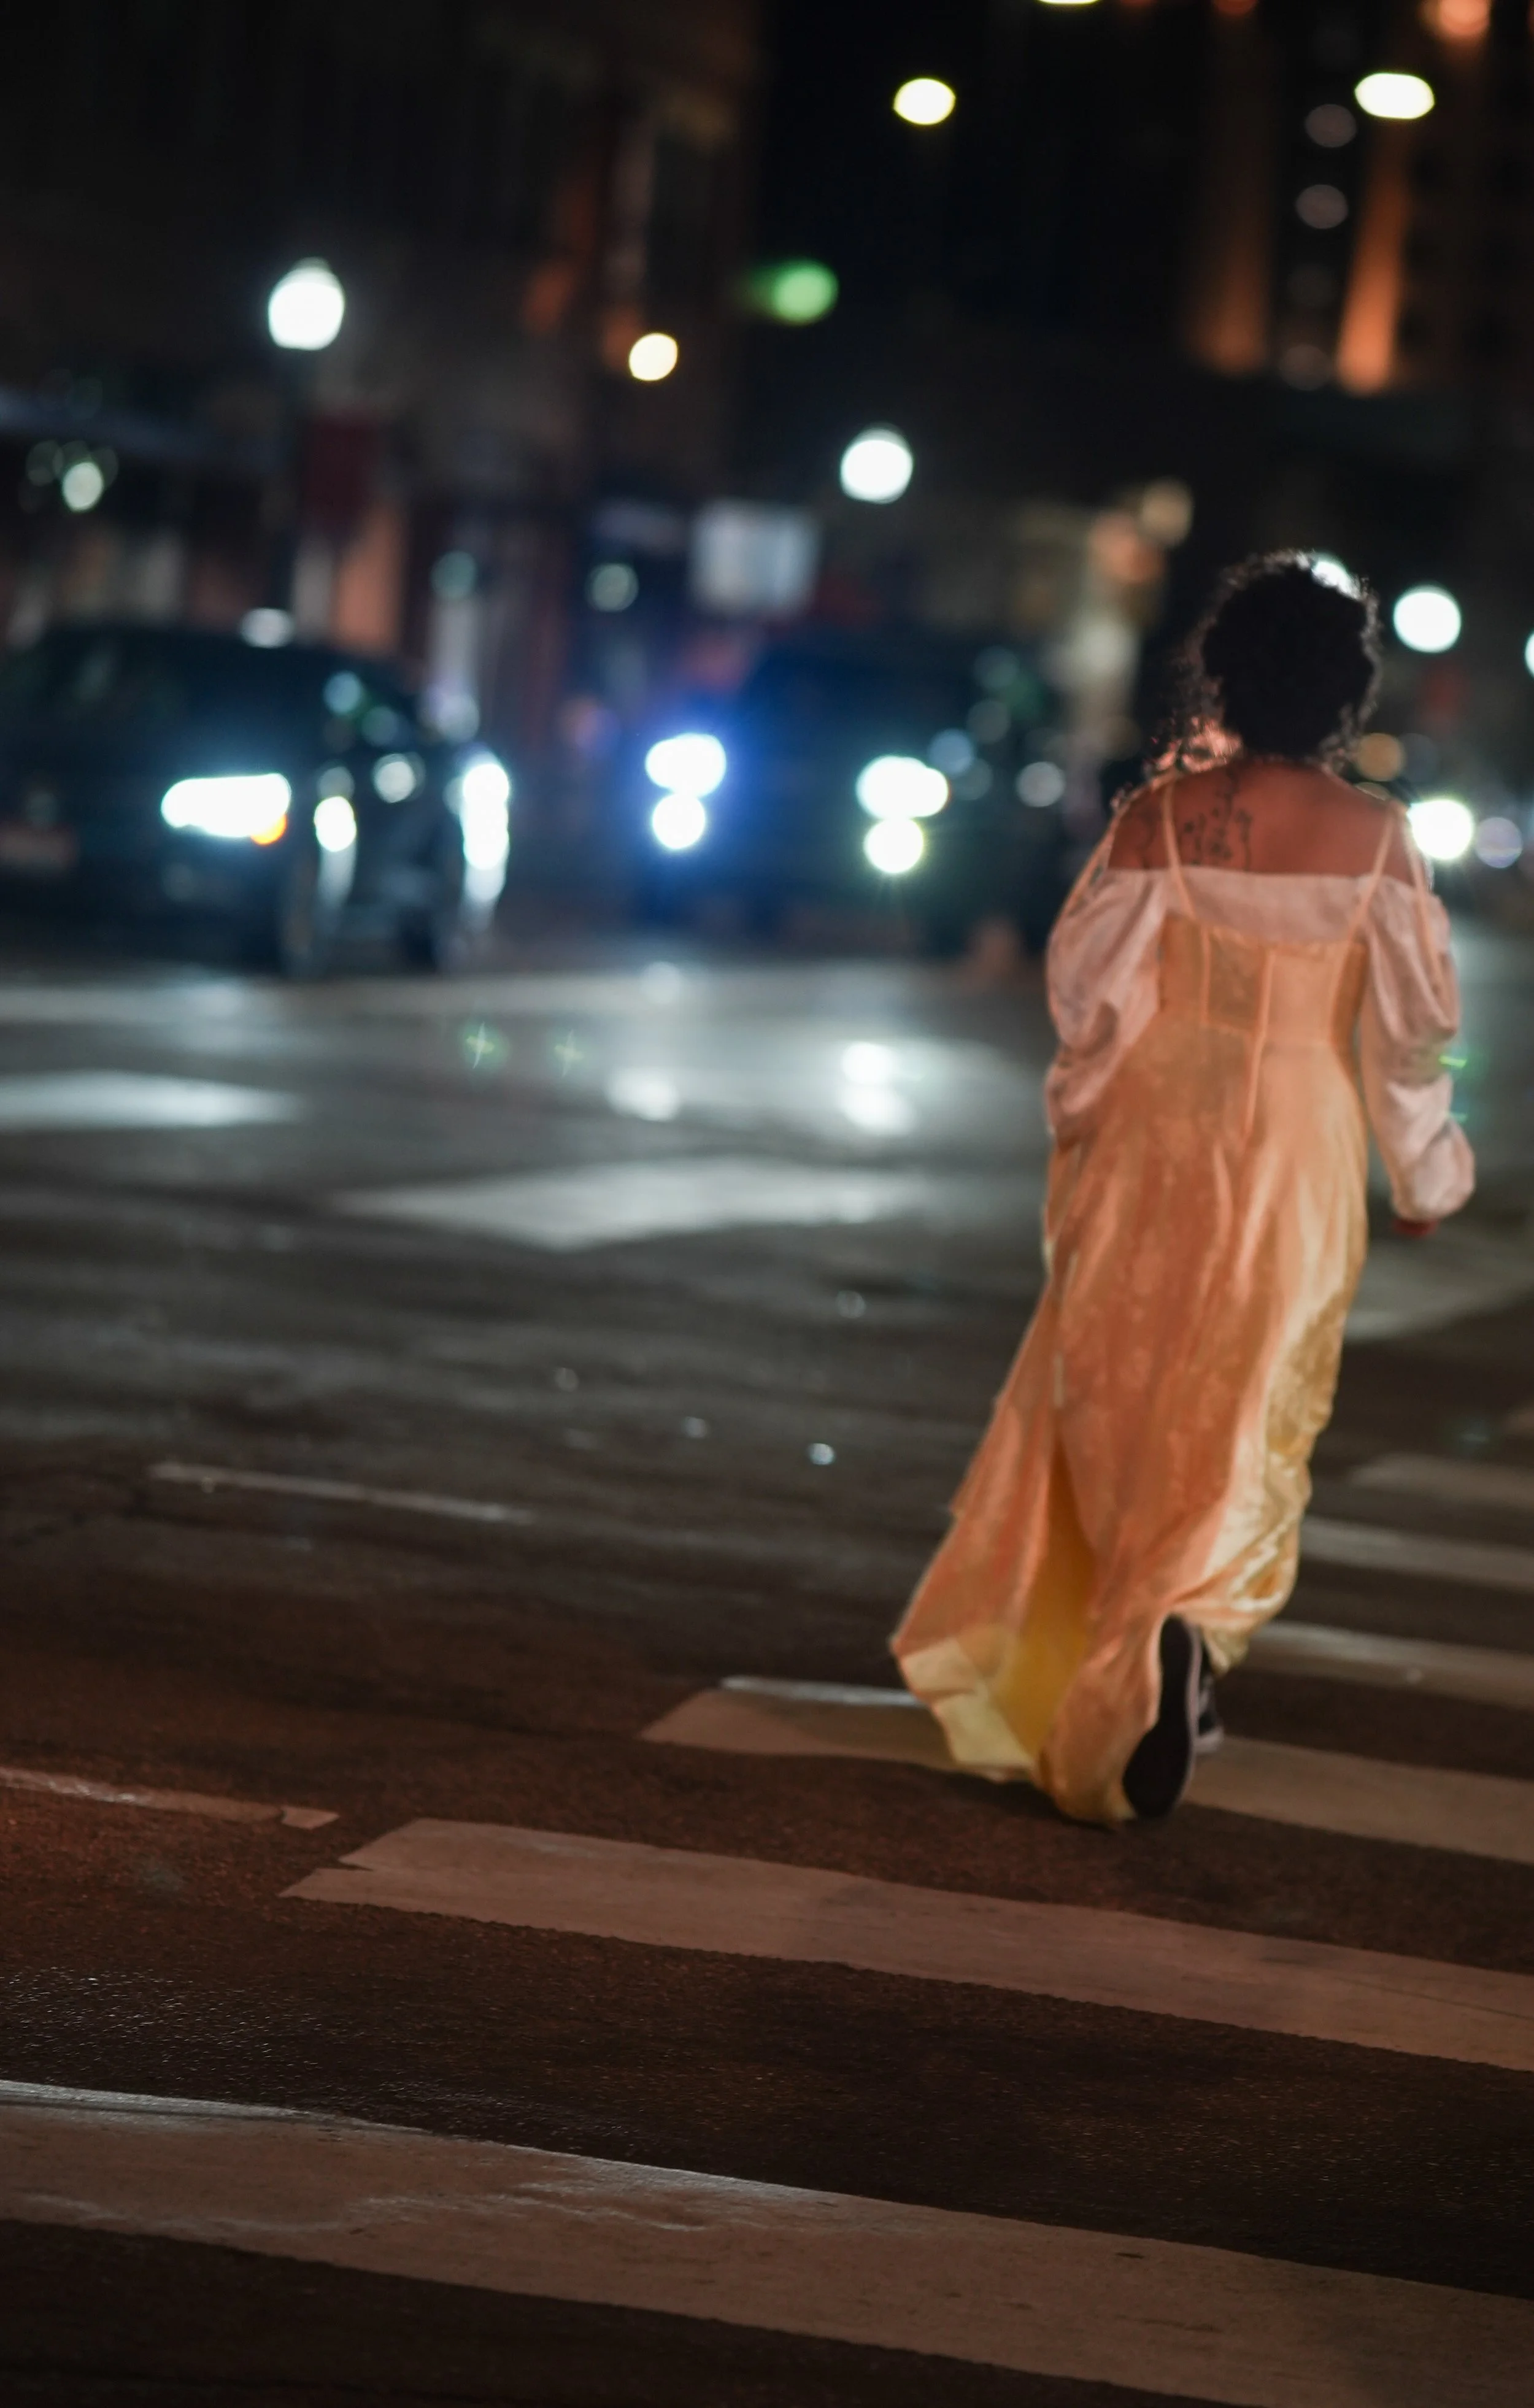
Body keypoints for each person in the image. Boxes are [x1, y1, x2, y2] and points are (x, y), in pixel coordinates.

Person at [893, 553, 1474, 1826]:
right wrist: (1423, 1170)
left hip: (1159, 1133)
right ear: (1342, 695)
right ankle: (1180, 1636)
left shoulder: (1158, 818)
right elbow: (1407, 1036)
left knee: (1123, 1387)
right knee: (1249, 1400)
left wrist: (1085, 1124)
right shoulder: (1375, 841)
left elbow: (1089, 1002)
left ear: (1225, 676)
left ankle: (1137, 1645)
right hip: (1292, 1148)